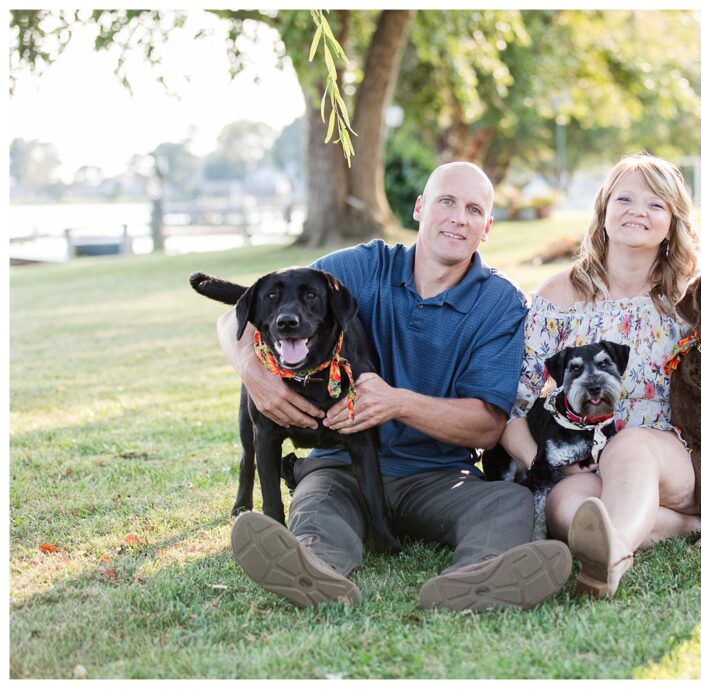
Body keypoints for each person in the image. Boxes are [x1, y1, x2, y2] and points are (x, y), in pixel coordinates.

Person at [217, 162, 571, 611]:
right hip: (340, 465)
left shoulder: (500, 304)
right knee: (318, 509)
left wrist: (396, 403)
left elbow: (485, 428)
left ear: (487, 228)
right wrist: (252, 370)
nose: (458, 218)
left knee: (508, 501)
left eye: (474, 210)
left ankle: (476, 578)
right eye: (446, 201)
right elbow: (252, 307)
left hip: (439, 479)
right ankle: (314, 569)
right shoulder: (364, 267)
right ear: (420, 208)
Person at [499, 153, 701, 597]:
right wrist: (548, 465)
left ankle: (616, 556)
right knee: (568, 511)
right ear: (604, 210)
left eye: (655, 204)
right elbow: (516, 402)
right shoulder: (560, 293)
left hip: (677, 455)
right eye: (624, 198)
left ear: (672, 221)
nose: (637, 211)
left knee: (632, 445)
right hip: (588, 457)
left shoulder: (698, 291)